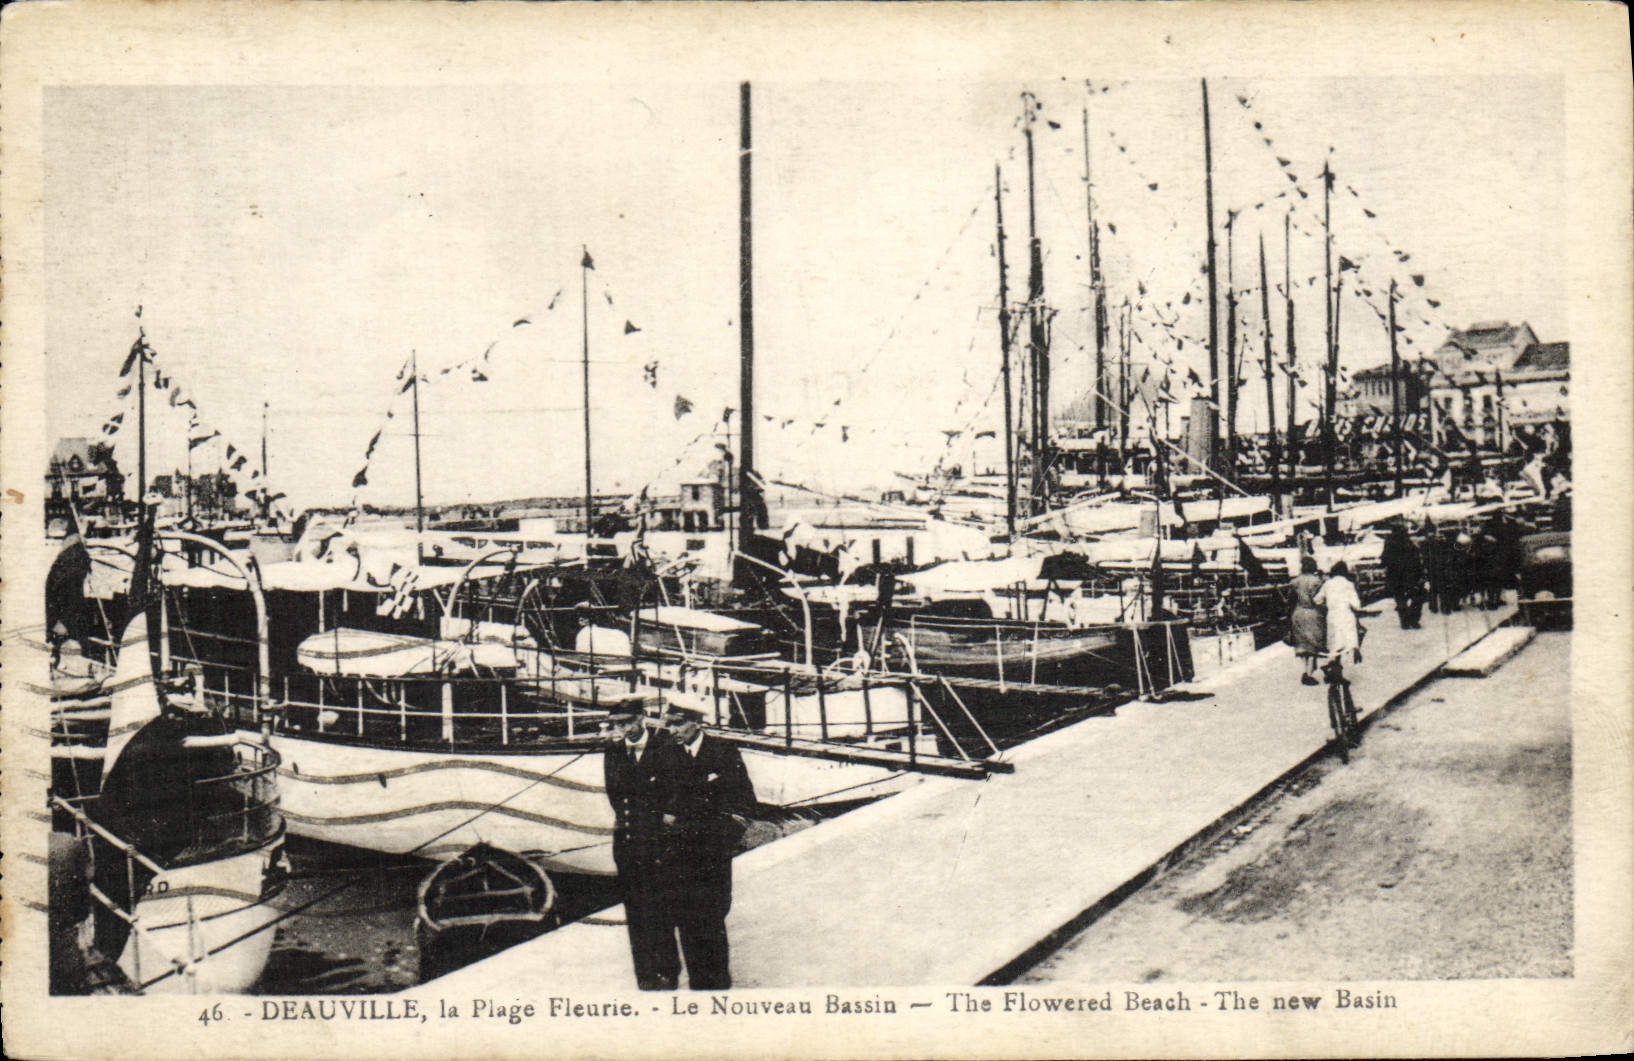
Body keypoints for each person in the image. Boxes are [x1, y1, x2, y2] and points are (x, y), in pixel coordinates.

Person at [653, 704, 756, 990]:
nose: (671, 731)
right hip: (678, 852)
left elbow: (744, 802)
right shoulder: (666, 754)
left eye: (676, 724)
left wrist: (723, 840)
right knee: (685, 918)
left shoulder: (723, 751)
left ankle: (717, 983)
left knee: (711, 916)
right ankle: (699, 983)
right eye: (668, 725)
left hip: (712, 853)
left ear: (696, 723)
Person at [602, 709, 678, 991]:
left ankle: (668, 971)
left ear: (641, 718)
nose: (623, 728)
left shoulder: (665, 745)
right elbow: (613, 792)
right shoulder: (613, 750)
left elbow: (672, 790)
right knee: (635, 910)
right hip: (627, 840)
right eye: (618, 723)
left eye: (627, 721)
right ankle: (645, 975)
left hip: (657, 839)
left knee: (661, 907)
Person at [1314, 561, 1366, 666]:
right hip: (1346, 616)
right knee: (1346, 642)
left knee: (1335, 645)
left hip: (1332, 616)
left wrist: (1327, 604)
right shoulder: (1349, 584)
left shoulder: (1327, 584)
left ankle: (1334, 668)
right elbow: (1356, 605)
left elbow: (1317, 600)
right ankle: (1339, 670)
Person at [1288, 556, 1327, 685]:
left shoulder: (1294, 582)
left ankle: (1305, 670)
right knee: (1312, 645)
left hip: (1298, 613)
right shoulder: (1317, 581)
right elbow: (1321, 599)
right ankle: (1308, 674)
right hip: (1312, 613)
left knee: (1302, 644)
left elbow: (1290, 600)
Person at [1380, 522, 1425, 629]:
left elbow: (1384, 559)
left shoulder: (1389, 543)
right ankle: (1414, 620)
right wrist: (1420, 573)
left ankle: (1405, 621)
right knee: (1417, 597)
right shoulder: (1408, 543)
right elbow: (1416, 559)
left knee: (1400, 599)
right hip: (1411, 576)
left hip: (1395, 576)